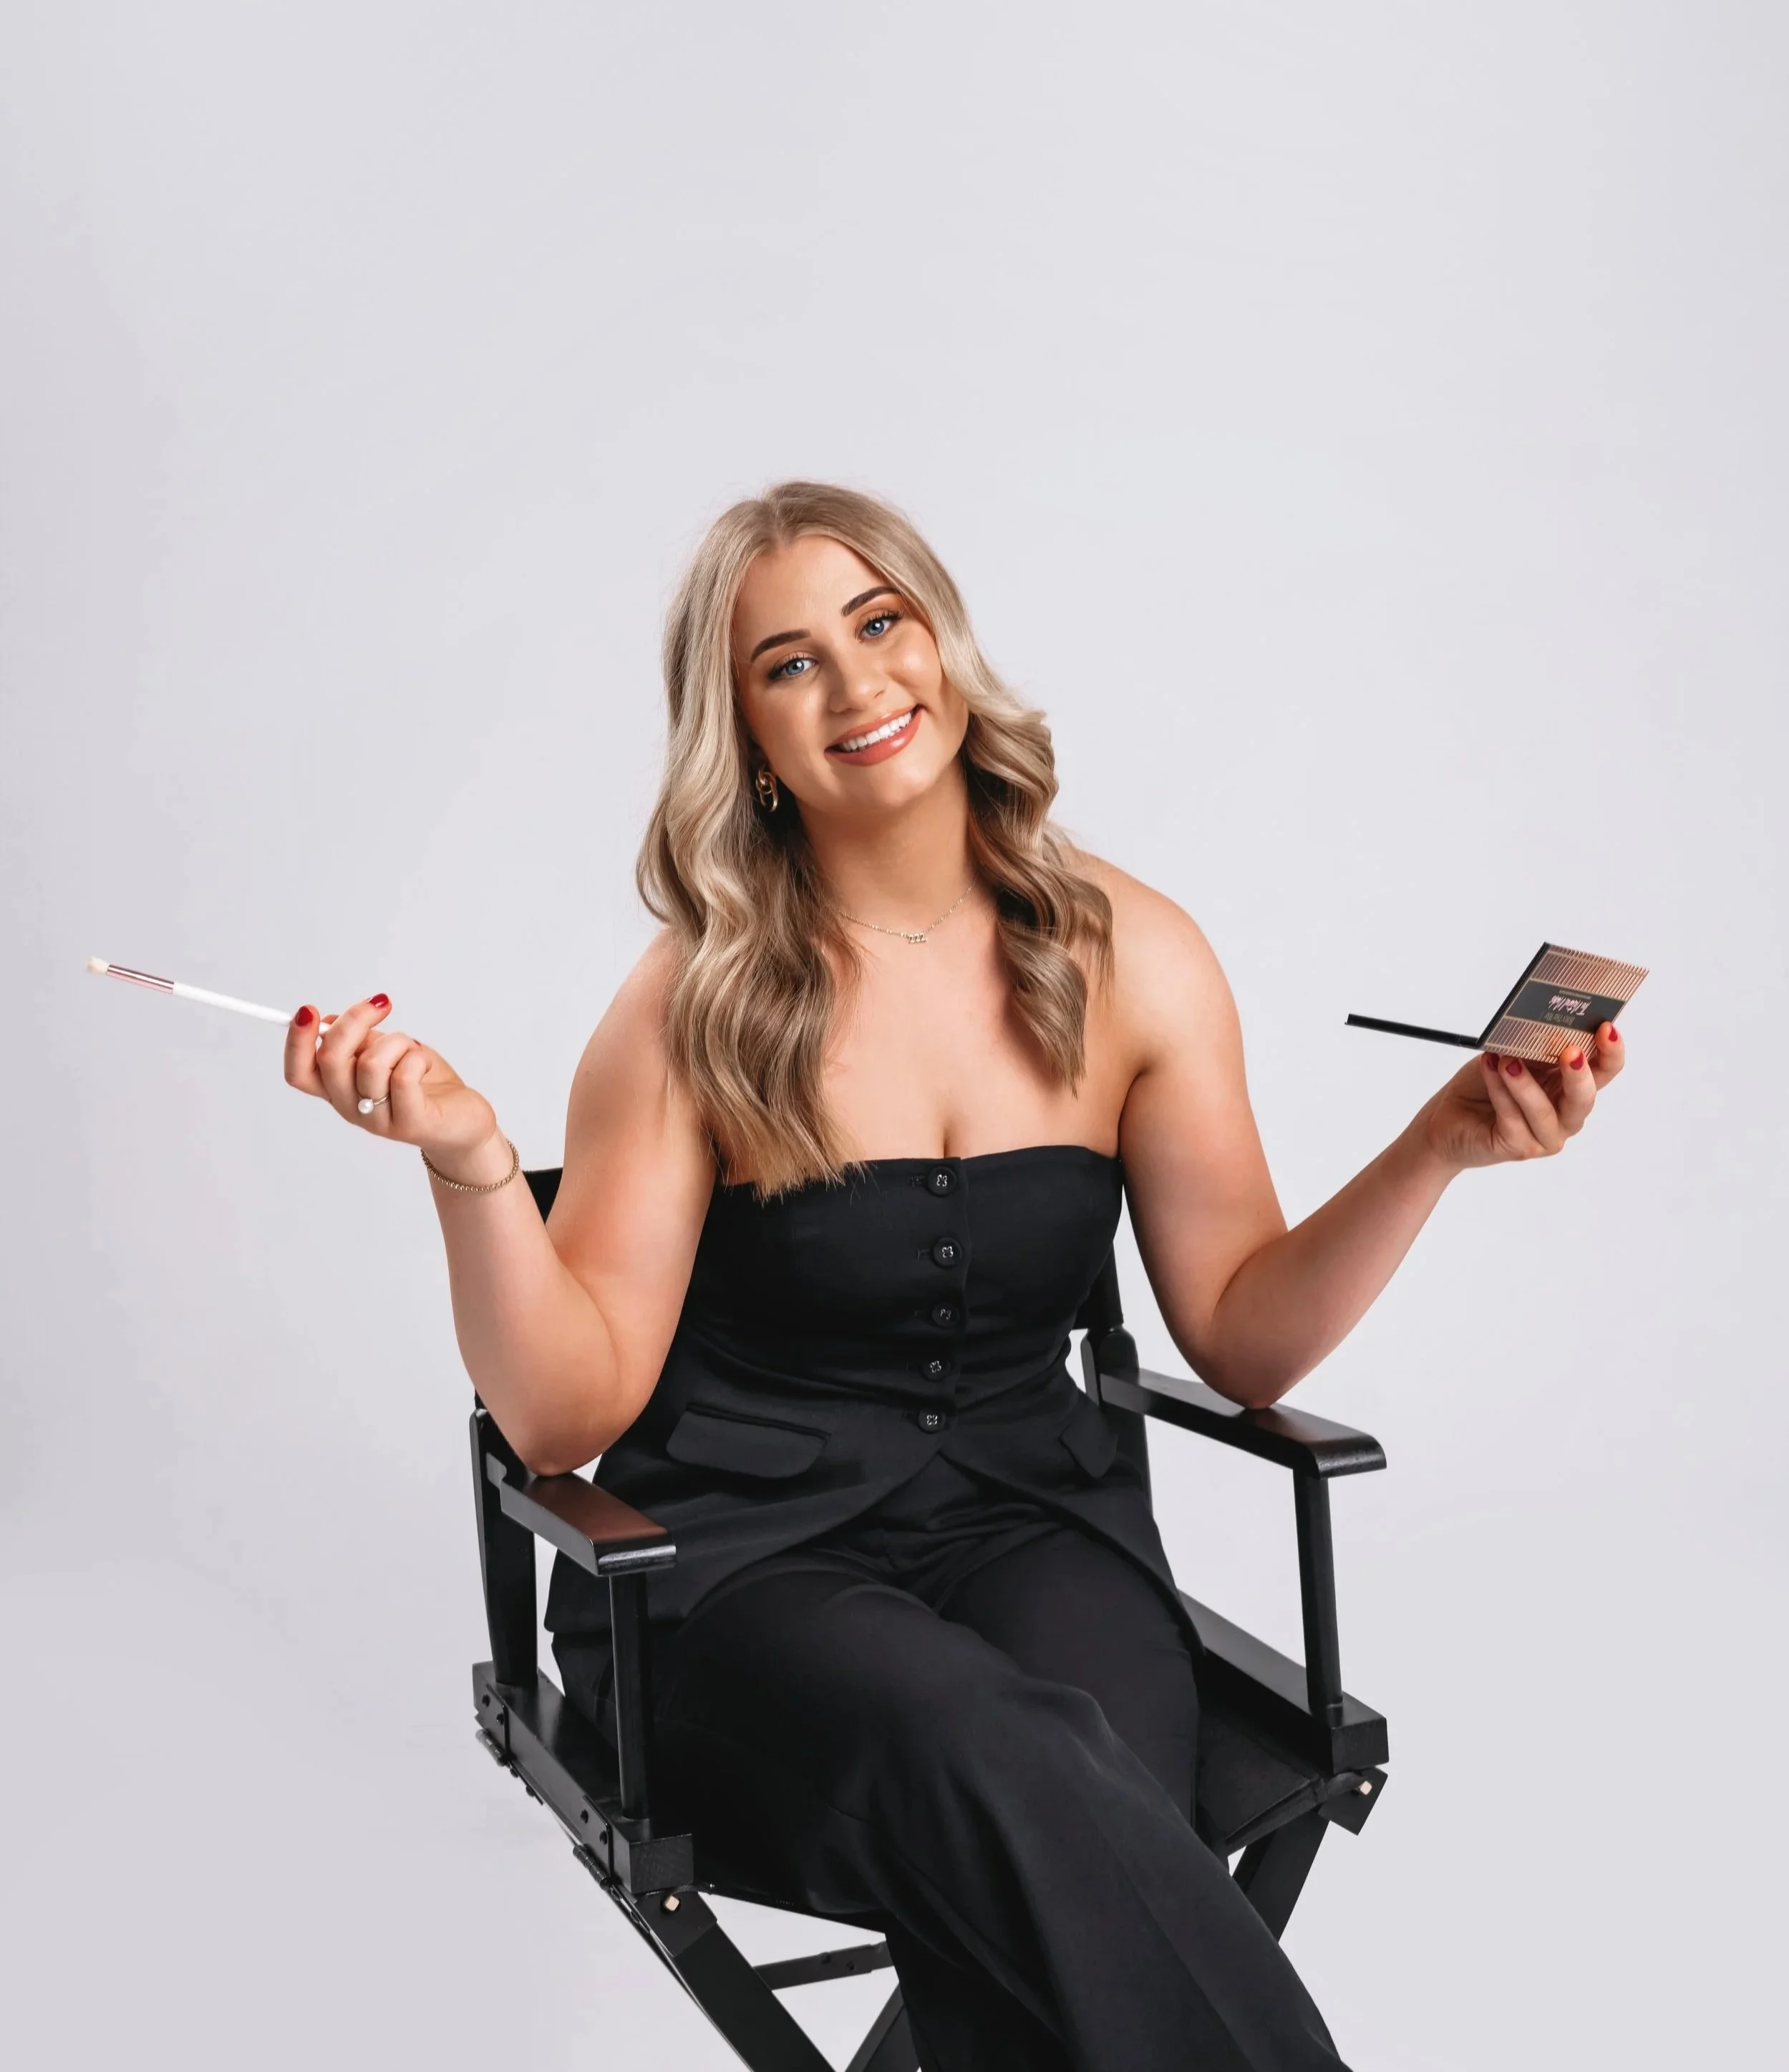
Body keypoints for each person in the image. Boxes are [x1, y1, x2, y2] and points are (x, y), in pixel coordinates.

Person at [282, 480, 1627, 2071]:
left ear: (942, 640)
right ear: (746, 737)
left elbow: (1246, 1339)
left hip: (1035, 1530)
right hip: (740, 1575)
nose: (856, 687)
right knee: (1009, 1765)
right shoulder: (688, 1008)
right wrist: (475, 1167)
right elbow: (565, 1414)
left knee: (1080, 1774)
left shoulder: (1136, 951)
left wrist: (1437, 1144)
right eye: (787, 665)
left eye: (879, 622)